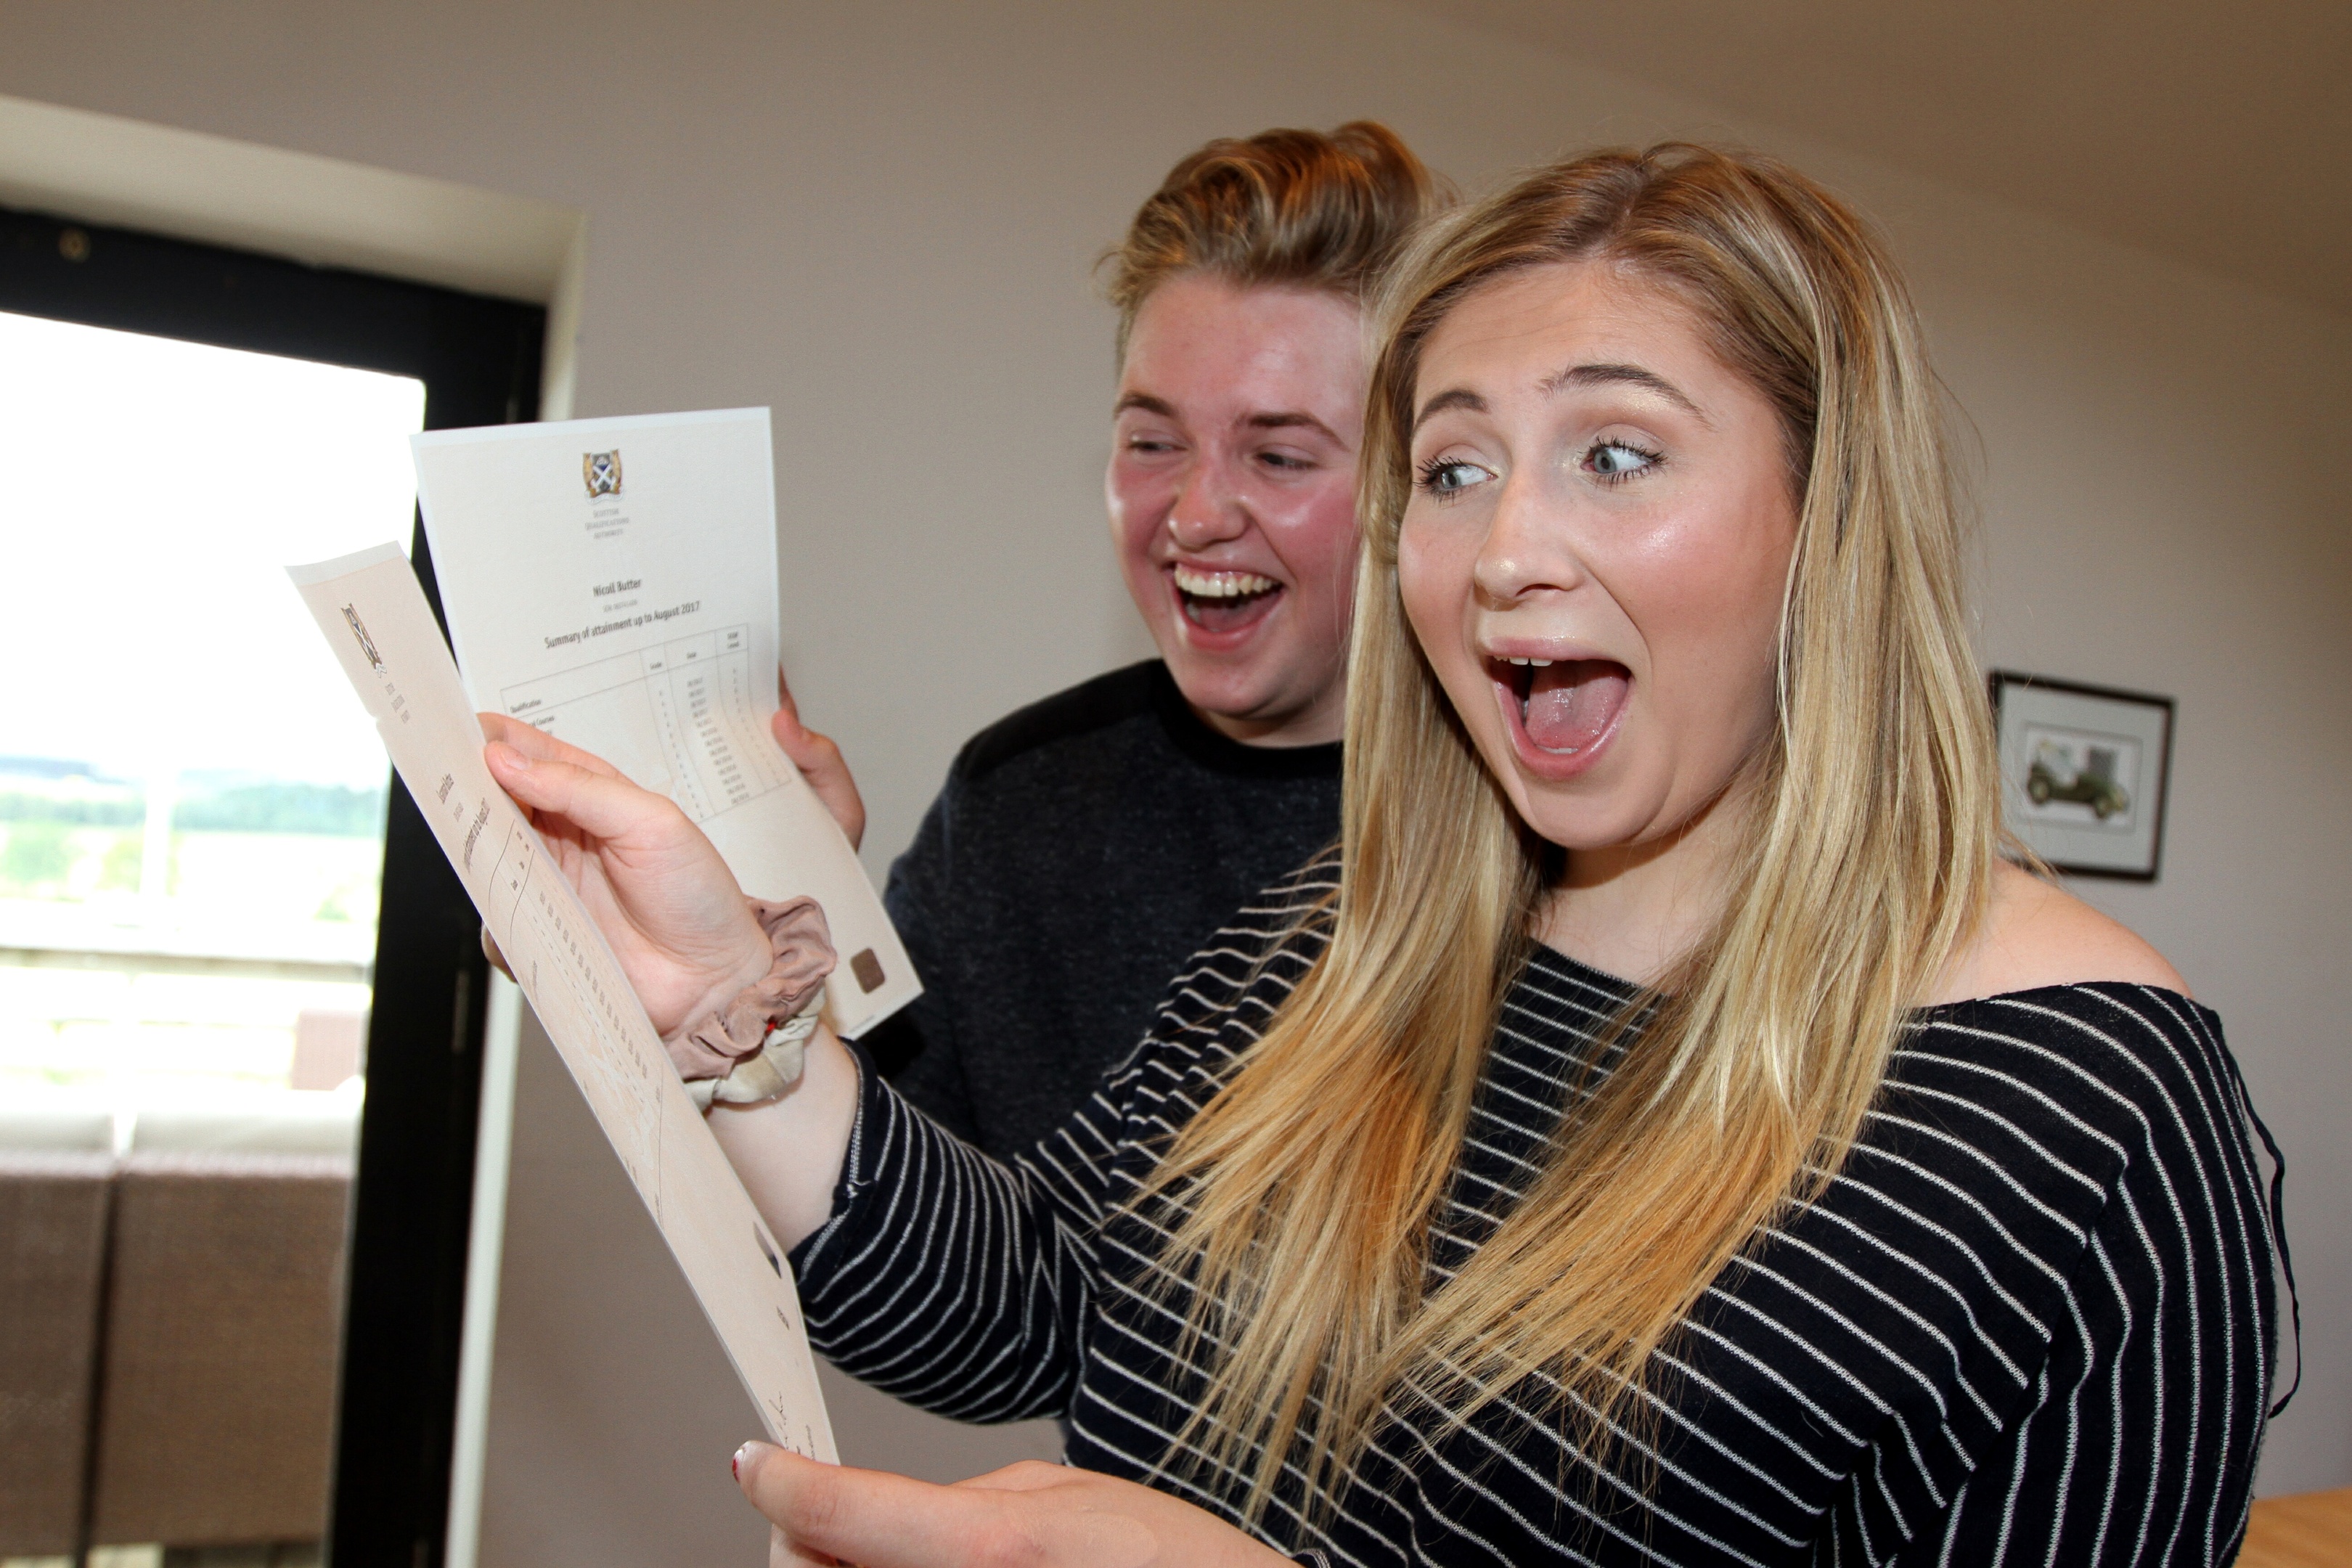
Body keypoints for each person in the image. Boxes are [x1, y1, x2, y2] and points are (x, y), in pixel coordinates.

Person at [485, 142, 2287, 1565]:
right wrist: (735, 1000)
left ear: (1829, 524)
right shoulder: (1338, 937)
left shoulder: (2091, 1111)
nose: (1504, 552)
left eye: (1615, 453)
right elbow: (1029, 1305)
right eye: (1454, 467)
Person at [772, 122, 1443, 1161]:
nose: (1194, 513)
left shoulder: (1537, 828)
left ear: (1416, 482)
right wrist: (770, 985)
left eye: (1278, 453)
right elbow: (872, 1252)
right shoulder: (1010, 804)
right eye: (1152, 442)